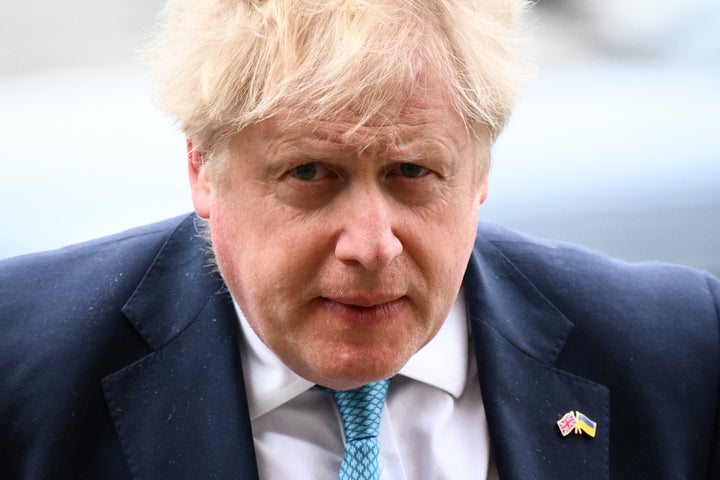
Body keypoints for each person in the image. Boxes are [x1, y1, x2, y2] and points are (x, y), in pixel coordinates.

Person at [1, 0, 718, 478]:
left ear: (480, 172)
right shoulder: (24, 362)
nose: (373, 246)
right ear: (203, 170)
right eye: (311, 172)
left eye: (413, 171)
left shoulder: (676, 352)